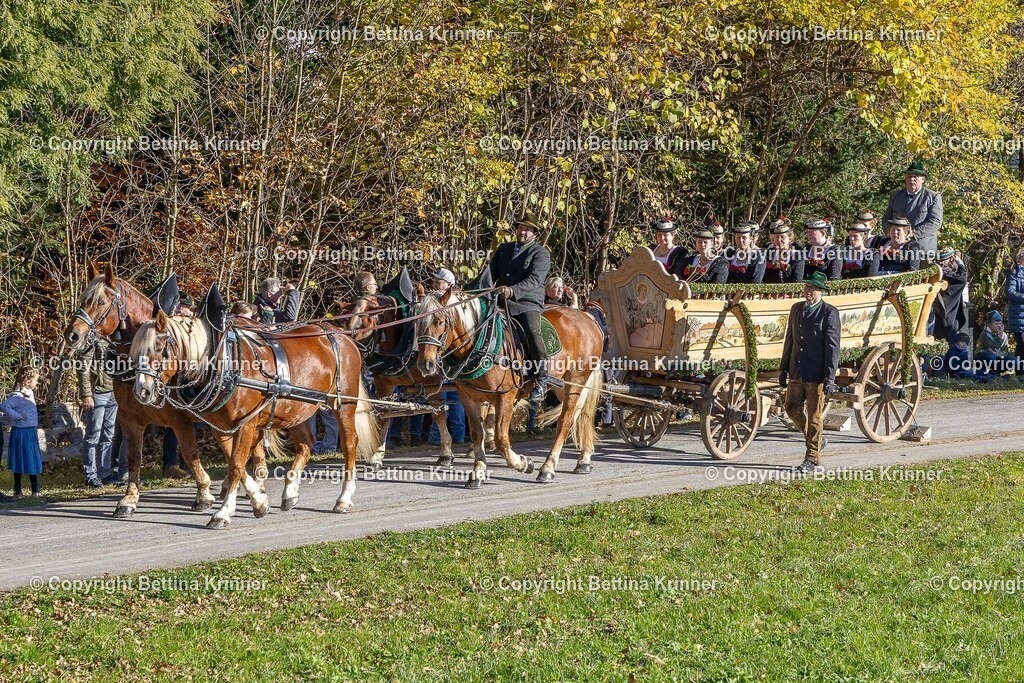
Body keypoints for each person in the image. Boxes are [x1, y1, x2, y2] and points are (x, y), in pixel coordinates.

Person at [779, 271, 841, 475]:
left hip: (816, 373)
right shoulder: (796, 309)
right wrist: (783, 368)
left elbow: (832, 347)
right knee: (790, 408)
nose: (808, 292)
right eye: (806, 288)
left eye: (812, 289)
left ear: (821, 292)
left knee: (815, 416)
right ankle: (817, 439)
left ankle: (812, 459)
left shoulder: (829, 312)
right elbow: (790, 339)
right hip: (796, 370)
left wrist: (830, 377)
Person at [489, 213, 552, 403]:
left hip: (527, 302)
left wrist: (512, 290)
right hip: (500, 301)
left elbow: (535, 280)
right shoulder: (504, 249)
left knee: (533, 332)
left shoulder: (541, 253)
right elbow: (489, 275)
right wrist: (469, 291)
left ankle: (541, 380)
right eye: (520, 228)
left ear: (534, 233)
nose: (522, 231)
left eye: (527, 229)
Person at [75, 337, 118, 487]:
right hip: (97, 393)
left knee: (108, 435)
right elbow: (82, 367)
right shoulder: (92, 338)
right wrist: (86, 393)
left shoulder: (117, 335)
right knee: (93, 435)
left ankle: (105, 473)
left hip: (114, 391)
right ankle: (90, 475)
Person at [883, 161, 943, 256]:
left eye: (915, 177)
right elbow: (886, 219)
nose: (911, 179)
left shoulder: (933, 197)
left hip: (923, 250)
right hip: (896, 249)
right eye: (909, 176)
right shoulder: (896, 196)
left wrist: (912, 233)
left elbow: (935, 222)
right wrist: (890, 233)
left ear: (923, 179)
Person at [0, 367, 43, 497]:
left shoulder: (29, 392)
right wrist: (18, 416)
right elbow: (3, 406)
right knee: (20, 457)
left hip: (30, 430)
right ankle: (18, 489)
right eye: (35, 380)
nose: (37, 383)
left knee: (32, 457)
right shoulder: (17, 395)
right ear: (28, 380)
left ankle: (35, 488)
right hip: (21, 431)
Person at [931, 246, 969, 343]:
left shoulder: (933, 269)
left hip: (939, 312)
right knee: (946, 341)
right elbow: (962, 279)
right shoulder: (944, 271)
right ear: (951, 259)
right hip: (946, 315)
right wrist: (960, 264)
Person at [763, 217, 805, 284]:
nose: (779, 240)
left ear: (790, 238)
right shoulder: (768, 253)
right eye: (776, 237)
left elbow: (797, 280)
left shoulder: (798, 255)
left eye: (782, 237)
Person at [977, 310, 1012, 378]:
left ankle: (995, 373)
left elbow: (1005, 351)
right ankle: (983, 372)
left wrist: (1000, 354)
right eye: (996, 323)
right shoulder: (985, 334)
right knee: (991, 357)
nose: (999, 326)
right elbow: (994, 348)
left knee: (1012, 360)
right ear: (989, 324)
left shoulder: (1003, 335)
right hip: (982, 358)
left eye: (1000, 323)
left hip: (997, 357)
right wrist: (1000, 337)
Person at [1006, 248, 1024, 376]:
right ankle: (1020, 373)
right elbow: (1010, 292)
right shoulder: (1014, 273)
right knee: (1022, 344)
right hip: (1019, 315)